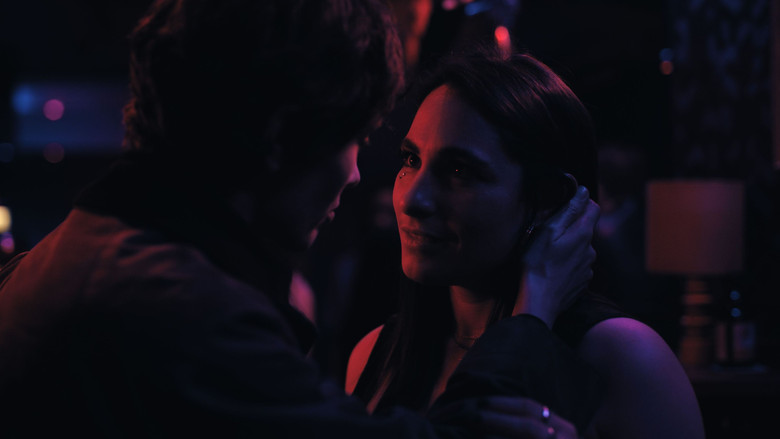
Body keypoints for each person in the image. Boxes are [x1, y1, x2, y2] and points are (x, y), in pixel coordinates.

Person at [0, 1, 600, 438]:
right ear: (280, 137)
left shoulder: (76, 257)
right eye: (355, 138)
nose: (356, 174)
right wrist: (530, 319)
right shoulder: (179, 308)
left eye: (461, 171)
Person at [346, 48, 705, 439]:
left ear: (548, 197)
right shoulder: (377, 354)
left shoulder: (622, 355)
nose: (413, 199)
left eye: (458, 170)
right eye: (410, 160)